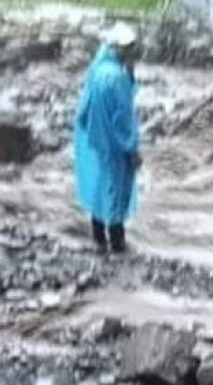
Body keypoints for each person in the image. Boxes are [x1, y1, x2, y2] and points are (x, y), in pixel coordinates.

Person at [74, 22, 142, 254]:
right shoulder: (116, 78)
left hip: (97, 142)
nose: (133, 52)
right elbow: (123, 118)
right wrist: (131, 149)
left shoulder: (97, 71)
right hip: (116, 146)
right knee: (115, 190)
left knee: (99, 186)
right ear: (120, 49)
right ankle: (117, 244)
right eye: (130, 48)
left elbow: (83, 111)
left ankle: (98, 239)